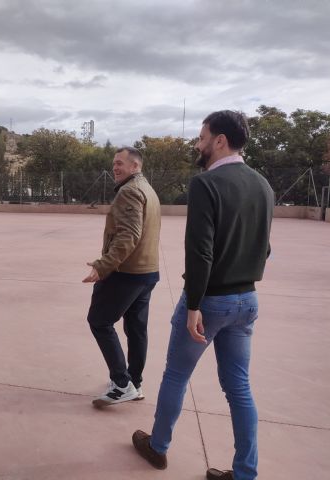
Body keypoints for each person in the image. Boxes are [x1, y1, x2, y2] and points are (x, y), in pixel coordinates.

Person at [132, 110, 274, 480]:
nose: (198, 145)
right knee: (239, 387)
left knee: (176, 375)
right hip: (247, 300)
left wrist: (194, 304)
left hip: (209, 301)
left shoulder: (206, 184)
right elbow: (265, 248)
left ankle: (158, 447)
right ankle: (246, 473)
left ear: (220, 141)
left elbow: (200, 252)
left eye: (202, 138)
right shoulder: (263, 185)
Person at [83, 146, 161, 407]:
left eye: (120, 163)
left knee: (99, 321)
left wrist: (103, 265)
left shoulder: (129, 191)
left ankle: (121, 383)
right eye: (114, 163)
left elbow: (129, 235)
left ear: (135, 166)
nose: (115, 167)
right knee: (136, 328)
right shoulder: (148, 189)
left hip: (127, 273)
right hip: (147, 272)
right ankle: (134, 382)